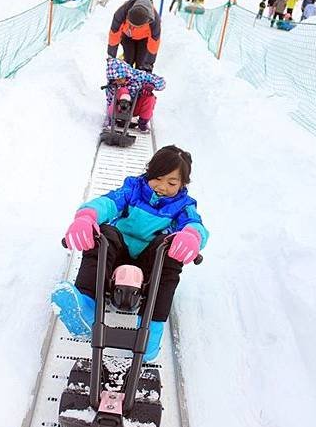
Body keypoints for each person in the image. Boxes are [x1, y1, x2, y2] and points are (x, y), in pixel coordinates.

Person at [51, 145, 209, 362]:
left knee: (171, 249)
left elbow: (194, 223)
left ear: (182, 184)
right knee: (104, 233)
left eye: (172, 183)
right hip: (117, 255)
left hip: (150, 263)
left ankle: (151, 330)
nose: (162, 187)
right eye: (158, 179)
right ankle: (86, 307)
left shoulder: (183, 206)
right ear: (149, 173)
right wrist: (87, 216)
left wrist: (192, 235)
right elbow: (108, 202)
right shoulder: (133, 189)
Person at [108, 0, 161, 72]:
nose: (134, 28)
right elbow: (114, 34)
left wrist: (149, 64)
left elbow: (154, 43)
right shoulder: (122, 12)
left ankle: (138, 82)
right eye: (131, 24)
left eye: (138, 26)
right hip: (127, 37)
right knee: (128, 60)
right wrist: (111, 56)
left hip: (144, 39)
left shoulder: (155, 20)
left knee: (141, 63)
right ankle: (126, 81)